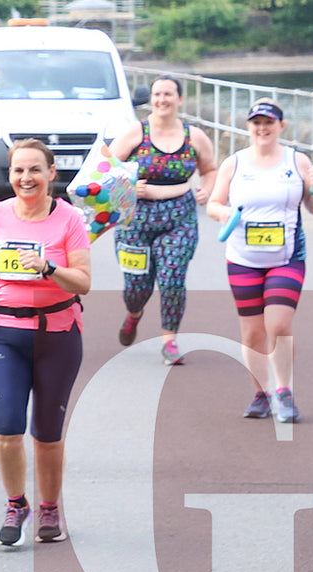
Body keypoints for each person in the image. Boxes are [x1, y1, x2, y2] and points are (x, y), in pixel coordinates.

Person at [0, 140, 92, 544]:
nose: (25, 178)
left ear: (51, 173)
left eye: (35, 169)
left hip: (57, 335)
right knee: (6, 428)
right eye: (18, 170)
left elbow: (83, 281)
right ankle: (17, 504)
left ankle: (49, 508)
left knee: (47, 433)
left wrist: (49, 268)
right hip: (5, 334)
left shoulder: (69, 219)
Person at [206, 100, 313, 423]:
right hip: (242, 259)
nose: (262, 128)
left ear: (280, 126)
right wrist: (224, 213)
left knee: (279, 325)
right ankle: (261, 394)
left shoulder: (296, 161)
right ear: (249, 127)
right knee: (253, 333)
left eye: (269, 123)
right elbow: (213, 204)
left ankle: (284, 391)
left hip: (287, 258)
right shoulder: (234, 164)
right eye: (256, 123)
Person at [108, 76, 217, 364]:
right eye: (157, 94)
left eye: (168, 94)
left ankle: (170, 341)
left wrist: (207, 189)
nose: (161, 100)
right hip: (135, 221)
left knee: (172, 280)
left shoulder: (195, 137)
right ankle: (134, 313)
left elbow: (210, 169)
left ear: (179, 99)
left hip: (179, 218)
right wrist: (128, 188)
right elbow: (104, 171)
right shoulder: (135, 133)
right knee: (136, 287)